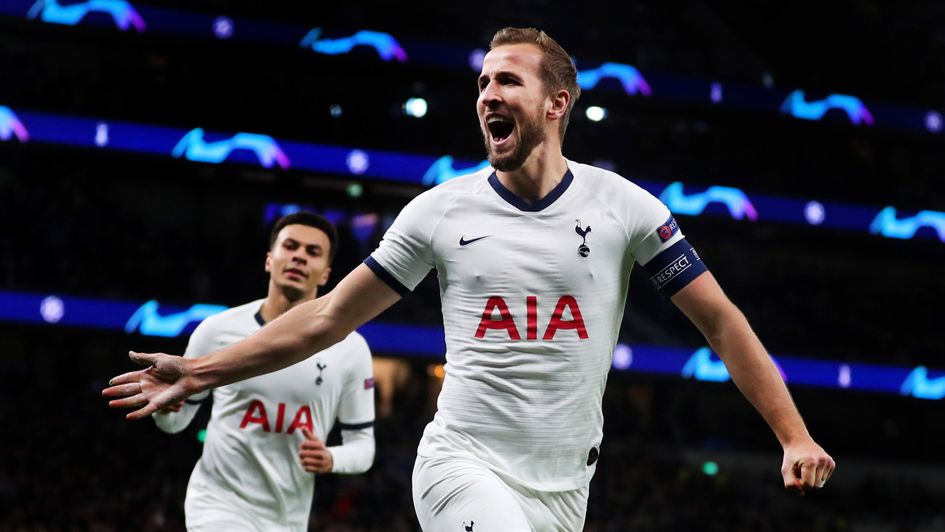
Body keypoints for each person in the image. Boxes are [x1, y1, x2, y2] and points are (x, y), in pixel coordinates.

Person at [105, 27, 834, 530]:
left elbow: (720, 322)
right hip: (462, 461)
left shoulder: (626, 207)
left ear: (556, 103)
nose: (487, 93)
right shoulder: (438, 213)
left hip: (564, 486)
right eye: (482, 81)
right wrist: (202, 371)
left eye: (507, 81)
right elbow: (327, 318)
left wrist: (792, 436)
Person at [151, 212, 375, 531]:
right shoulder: (217, 331)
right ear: (270, 260)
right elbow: (176, 423)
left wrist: (331, 458)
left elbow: (364, 447)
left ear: (325, 274)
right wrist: (166, 410)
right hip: (217, 505)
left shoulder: (351, 348)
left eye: (312, 252)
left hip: (289, 518)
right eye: (291, 246)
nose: (299, 256)